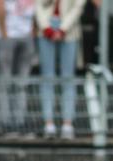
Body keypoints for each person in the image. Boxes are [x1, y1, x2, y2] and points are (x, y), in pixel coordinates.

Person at [36, 0, 86, 139]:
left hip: (70, 30)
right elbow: (38, 5)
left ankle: (67, 124)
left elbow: (78, 6)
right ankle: (49, 123)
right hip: (46, 27)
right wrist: (46, 27)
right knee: (47, 77)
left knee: (68, 78)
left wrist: (63, 28)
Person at [0, 0, 36, 136]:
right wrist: (4, 34)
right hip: (6, 36)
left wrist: (32, 32)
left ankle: (19, 121)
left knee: (22, 83)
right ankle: (4, 122)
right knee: (5, 82)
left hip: (26, 36)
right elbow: (0, 6)